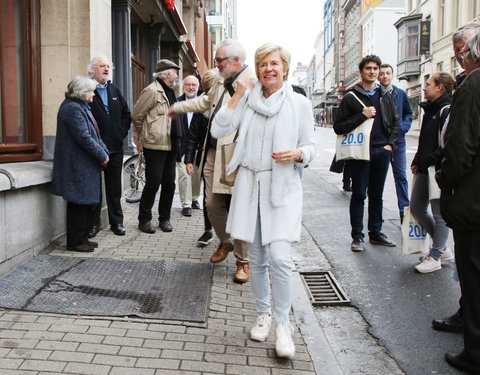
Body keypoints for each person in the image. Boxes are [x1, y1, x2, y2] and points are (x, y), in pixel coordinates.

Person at [211, 43, 316, 359]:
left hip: (282, 186)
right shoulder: (249, 102)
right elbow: (218, 129)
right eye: (262, 64)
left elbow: (310, 147)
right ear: (255, 70)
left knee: (281, 258)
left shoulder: (299, 104)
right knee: (255, 257)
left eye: (273, 63)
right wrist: (237, 95)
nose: (268, 69)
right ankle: (263, 314)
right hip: (249, 185)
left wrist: (299, 153)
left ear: (284, 67)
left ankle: (283, 325)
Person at [168, 39, 256, 283]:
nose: (216, 65)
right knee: (211, 204)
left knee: (238, 208)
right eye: (216, 60)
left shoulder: (252, 82)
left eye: (220, 60)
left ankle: (243, 262)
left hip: (237, 154)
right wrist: (180, 107)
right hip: (212, 153)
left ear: (236, 61)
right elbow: (205, 103)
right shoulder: (219, 81)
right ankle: (226, 242)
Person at [431, 21, 480, 334]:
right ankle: (467, 315)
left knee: (472, 269)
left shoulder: (472, 85)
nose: (459, 60)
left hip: (471, 198)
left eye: (462, 53)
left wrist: (445, 179)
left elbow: (461, 146)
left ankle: (473, 347)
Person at [333, 55, 399, 252]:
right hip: (360, 152)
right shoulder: (351, 97)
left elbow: (395, 122)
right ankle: (358, 236)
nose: (373, 71)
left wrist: (390, 145)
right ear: (361, 72)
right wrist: (362, 116)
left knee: (377, 195)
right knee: (359, 194)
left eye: (376, 68)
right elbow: (339, 127)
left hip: (381, 150)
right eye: (368, 68)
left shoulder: (385, 95)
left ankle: (376, 232)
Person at [51, 76, 109, 252]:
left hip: (84, 163)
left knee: (85, 203)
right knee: (78, 203)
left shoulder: (80, 106)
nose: (93, 94)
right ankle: (75, 241)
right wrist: (102, 155)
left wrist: (103, 152)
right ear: (82, 93)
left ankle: (82, 237)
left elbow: (95, 135)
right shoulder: (72, 109)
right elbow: (84, 137)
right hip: (77, 164)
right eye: (91, 91)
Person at [410, 72, 455, 273]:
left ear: (440, 88)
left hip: (437, 168)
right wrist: (417, 160)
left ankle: (435, 256)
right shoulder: (430, 109)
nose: (424, 87)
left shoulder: (446, 109)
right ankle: (441, 247)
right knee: (417, 207)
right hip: (424, 168)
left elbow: (447, 143)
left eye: (428, 84)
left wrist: (429, 159)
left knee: (439, 215)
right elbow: (425, 141)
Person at [132, 59, 181, 234]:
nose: (177, 75)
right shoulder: (152, 91)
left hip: (171, 145)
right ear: (167, 74)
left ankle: (164, 219)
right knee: (153, 183)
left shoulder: (171, 91)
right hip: (155, 145)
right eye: (175, 71)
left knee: (169, 183)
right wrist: (146, 135)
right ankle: (144, 219)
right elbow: (137, 116)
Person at [87, 56, 131, 237]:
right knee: (94, 190)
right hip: (95, 150)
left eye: (108, 66)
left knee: (114, 189)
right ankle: (93, 225)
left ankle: (117, 224)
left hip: (115, 149)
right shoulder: (87, 90)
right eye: (102, 66)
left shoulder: (114, 89)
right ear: (92, 69)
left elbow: (126, 115)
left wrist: (120, 135)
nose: (106, 69)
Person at [184, 70, 218, 246]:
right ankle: (208, 230)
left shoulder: (231, 102)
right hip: (208, 155)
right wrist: (189, 160)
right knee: (208, 196)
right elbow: (193, 136)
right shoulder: (201, 106)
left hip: (228, 157)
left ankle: (228, 234)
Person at [379, 64, 412, 221]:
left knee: (400, 176)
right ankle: (377, 213)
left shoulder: (400, 94)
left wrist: (403, 128)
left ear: (392, 75)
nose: (385, 76)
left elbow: (408, 114)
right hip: (382, 142)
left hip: (399, 141)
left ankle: (404, 212)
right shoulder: (376, 94)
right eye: (382, 73)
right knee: (378, 178)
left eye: (388, 73)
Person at [176, 75, 202, 217]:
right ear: (183, 86)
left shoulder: (203, 102)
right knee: (184, 175)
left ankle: (194, 199)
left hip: (198, 145)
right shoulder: (177, 103)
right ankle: (186, 204)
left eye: (193, 85)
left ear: (198, 86)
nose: (191, 87)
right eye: (188, 85)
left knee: (196, 174)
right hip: (182, 145)